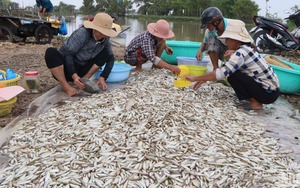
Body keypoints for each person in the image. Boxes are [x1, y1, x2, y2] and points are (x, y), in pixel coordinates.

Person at [183, 20, 280, 111]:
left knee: (233, 76)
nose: (226, 42)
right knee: (233, 73)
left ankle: (255, 103)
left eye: (228, 39)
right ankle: (253, 99)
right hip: (273, 91)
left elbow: (221, 73)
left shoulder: (240, 53)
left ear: (235, 40)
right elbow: (228, 67)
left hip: (268, 94)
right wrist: (205, 78)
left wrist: (194, 78)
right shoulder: (246, 49)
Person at [45, 13, 118, 97]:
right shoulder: (82, 33)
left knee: (106, 54)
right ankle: (66, 86)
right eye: (101, 33)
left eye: (105, 34)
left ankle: (84, 80)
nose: (102, 36)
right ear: (94, 28)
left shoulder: (104, 40)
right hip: (66, 68)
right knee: (50, 52)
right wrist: (74, 75)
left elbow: (111, 58)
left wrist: (103, 77)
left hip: (82, 69)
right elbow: (68, 54)